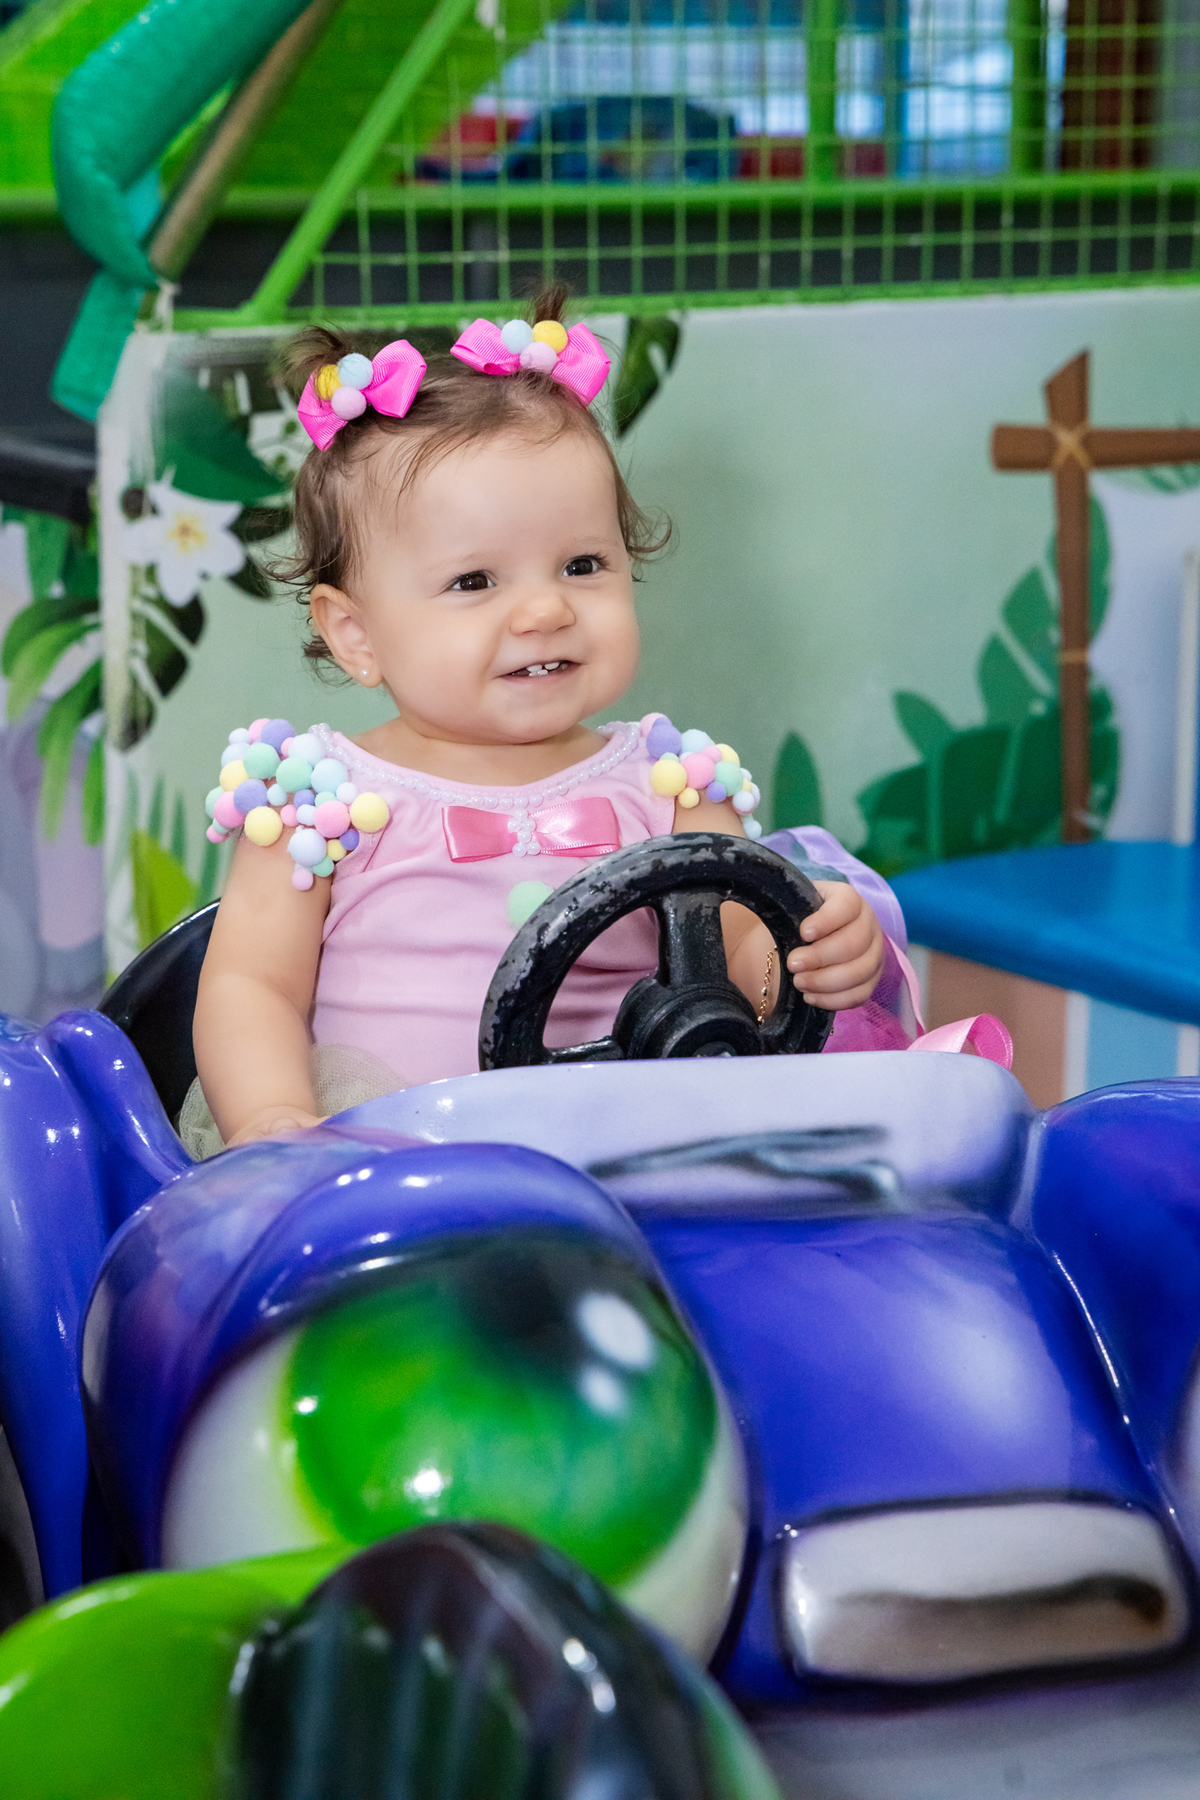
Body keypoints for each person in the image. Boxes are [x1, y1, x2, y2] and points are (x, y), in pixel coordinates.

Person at [187, 288, 912, 1156]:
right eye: (474, 581)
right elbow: (250, 988)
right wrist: (273, 1119)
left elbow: (742, 972)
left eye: (582, 564)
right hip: (390, 1160)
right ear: (356, 633)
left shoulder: (672, 782)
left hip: (635, 1154)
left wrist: (815, 951)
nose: (543, 611)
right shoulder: (315, 799)